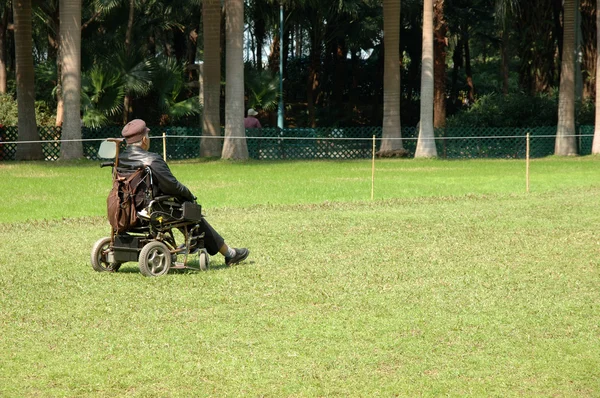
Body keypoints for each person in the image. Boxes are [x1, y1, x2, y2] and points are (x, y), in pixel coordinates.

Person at [117, 119, 249, 266]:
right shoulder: (152, 159)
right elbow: (172, 186)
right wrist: (189, 195)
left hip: (125, 209)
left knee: (178, 208)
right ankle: (229, 253)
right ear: (143, 139)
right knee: (191, 212)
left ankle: (193, 245)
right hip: (152, 210)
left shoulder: (119, 160)